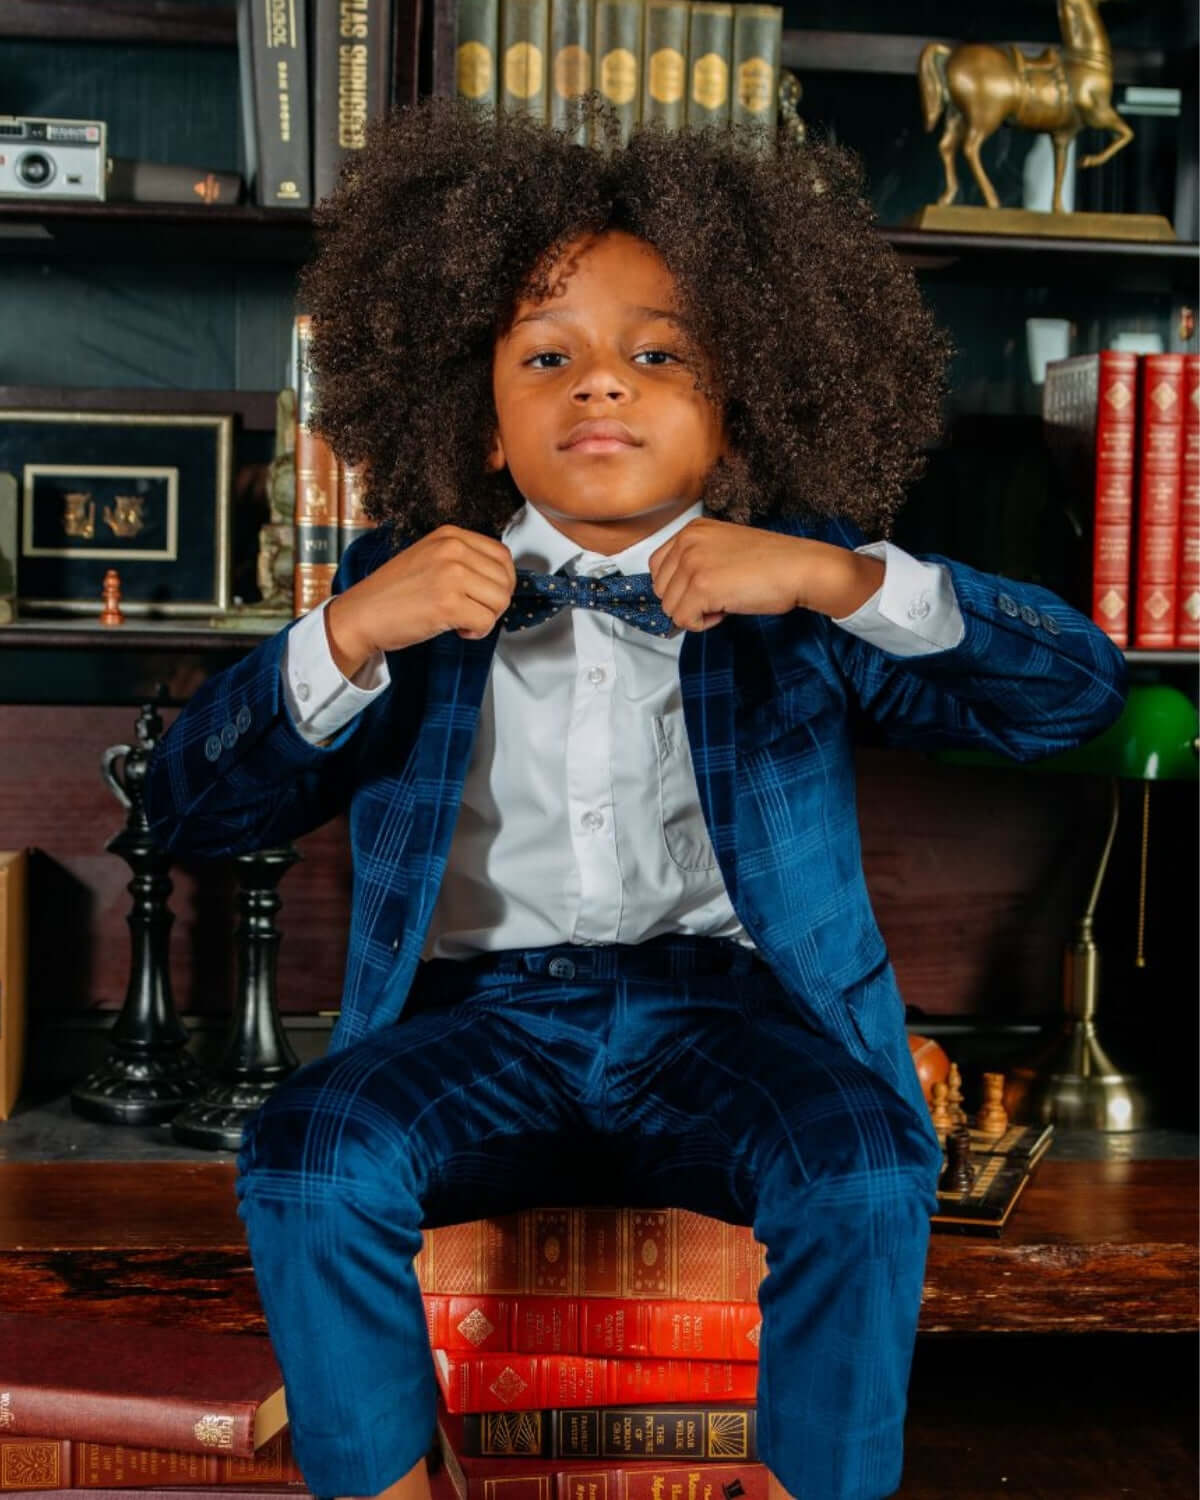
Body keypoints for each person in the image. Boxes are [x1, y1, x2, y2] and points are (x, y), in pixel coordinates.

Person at [145, 93, 1128, 1500]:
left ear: (734, 410)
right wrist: (350, 630)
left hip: (725, 1020)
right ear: (479, 419)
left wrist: (846, 581)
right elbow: (190, 809)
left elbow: (1074, 698)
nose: (600, 385)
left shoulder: (803, 583)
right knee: (307, 1157)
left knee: (859, 1168)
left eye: (658, 354)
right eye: (549, 355)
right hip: (480, 1028)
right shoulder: (403, 582)